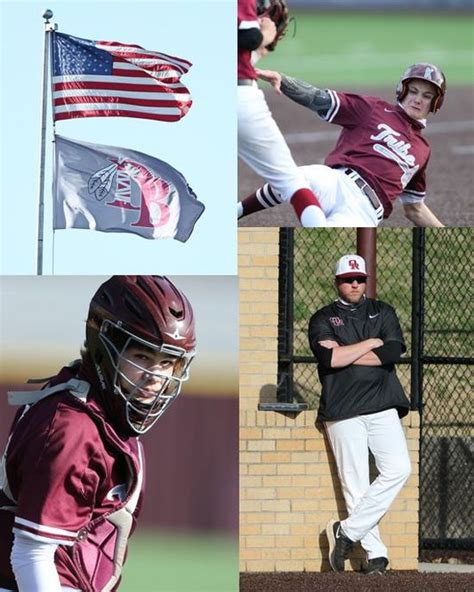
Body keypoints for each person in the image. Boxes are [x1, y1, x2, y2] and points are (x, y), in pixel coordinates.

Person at [0, 276, 196, 592]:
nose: (155, 376)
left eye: (167, 362)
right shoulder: (72, 429)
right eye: (142, 357)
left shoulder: (106, 410)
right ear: (106, 347)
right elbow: (32, 554)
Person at [239, 63, 447, 227]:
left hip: (363, 210)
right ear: (402, 90)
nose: (418, 99)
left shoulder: (423, 150)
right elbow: (318, 98)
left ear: (435, 103)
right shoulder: (373, 109)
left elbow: (415, 209)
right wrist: (283, 81)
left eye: (427, 96)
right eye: (413, 91)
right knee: (293, 177)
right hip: (336, 180)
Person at [308, 255, 411, 574]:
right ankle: (376, 555)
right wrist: (370, 344)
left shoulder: (384, 311)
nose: (354, 284)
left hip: (382, 402)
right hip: (342, 407)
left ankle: (347, 532)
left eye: (359, 279)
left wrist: (347, 353)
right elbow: (329, 359)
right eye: (348, 279)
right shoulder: (323, 316)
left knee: (399, 469)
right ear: (337, 281)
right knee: (355, 481)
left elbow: (392, 351)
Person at [238, 0, 327, 227]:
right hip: (240, 99)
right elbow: (248, 39)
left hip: (201, 96)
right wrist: (267, 34)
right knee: (292, 183)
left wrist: (252, 68)